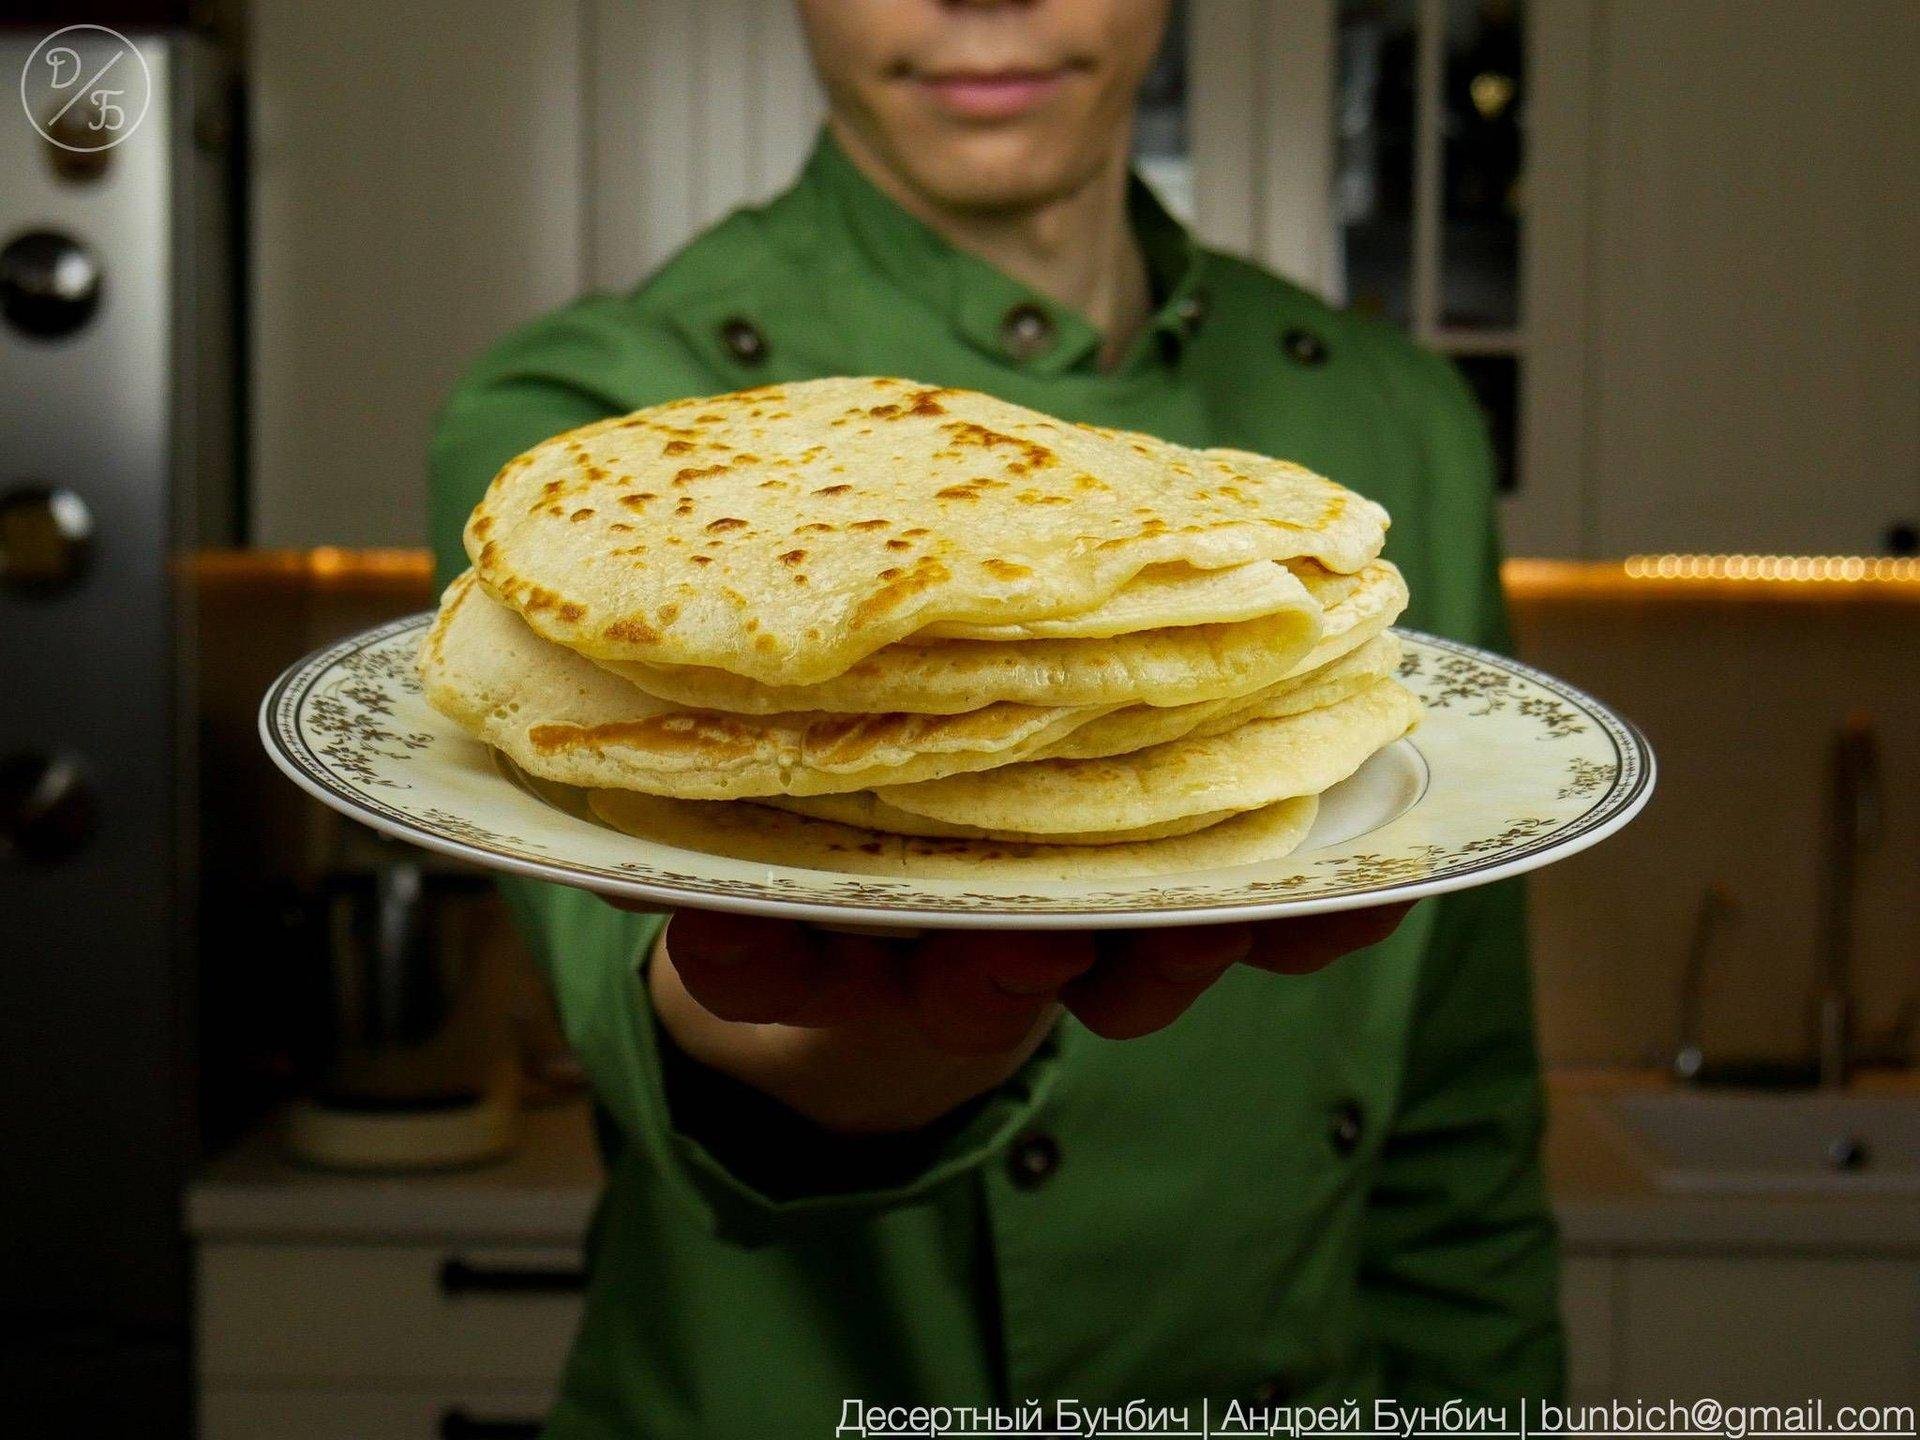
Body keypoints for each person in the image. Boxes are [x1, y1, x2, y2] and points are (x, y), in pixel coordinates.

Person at [428, 2, 1562, 1433]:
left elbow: (1462, 1134)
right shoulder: (595, 426)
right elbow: (644, 993)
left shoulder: (1395, 427)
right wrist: (873, 1015)